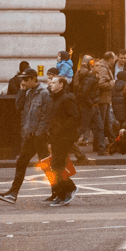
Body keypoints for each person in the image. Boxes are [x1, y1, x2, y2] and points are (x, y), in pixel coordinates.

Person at [0, 69, 53, 203]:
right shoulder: (28, 92)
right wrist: (21, 90)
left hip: (39, 135)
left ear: (34, 78)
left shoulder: (44, 93)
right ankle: (13, 193)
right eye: (23, 80)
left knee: (45, 164)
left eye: (26, 80)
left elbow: (46, 116)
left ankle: (59, 190)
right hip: (30, 134)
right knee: (23, 162)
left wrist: (39, 133)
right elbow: (18, 106)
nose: (23, 82)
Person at [45, 75, 82, 206]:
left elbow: (75, 117)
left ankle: (70, 188)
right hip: (56, 137)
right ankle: (61, 194)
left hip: (65, 137)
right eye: (51, 82)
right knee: (56, 165)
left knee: (56, 165)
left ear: (61, 85)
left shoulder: (66, 98)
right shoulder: (54, 99)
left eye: (54, 82)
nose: (51, 84)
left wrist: (60, 129)